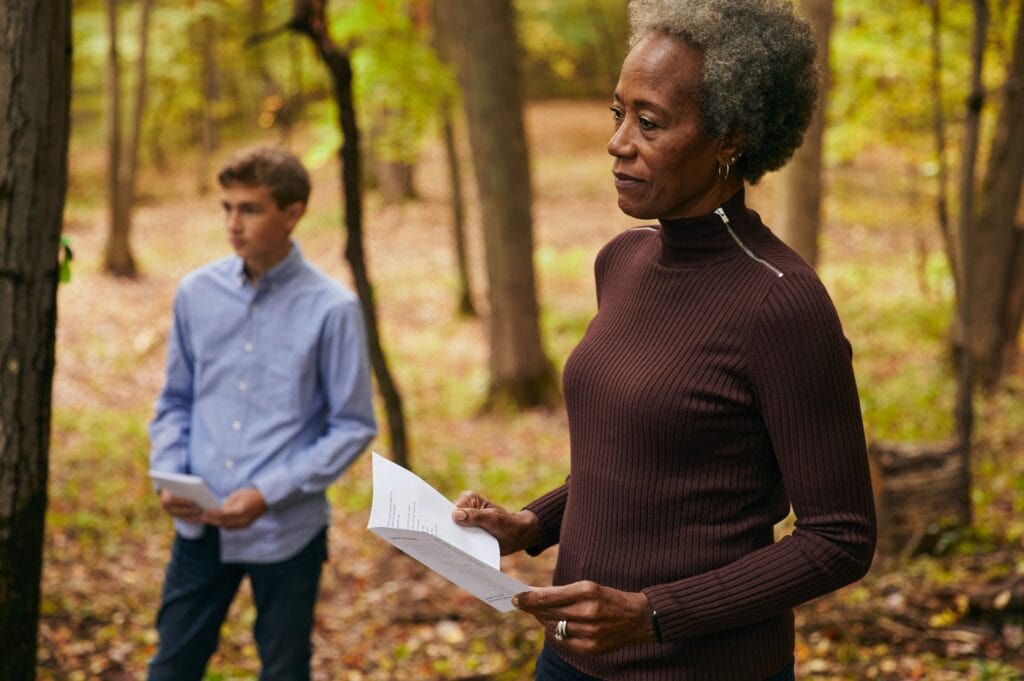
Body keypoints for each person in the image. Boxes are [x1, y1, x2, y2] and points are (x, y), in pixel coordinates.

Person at [451, 1, 876, 679]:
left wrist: (653, 612)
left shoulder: (781, 301)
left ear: (729, 138)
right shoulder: (621, 262)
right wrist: (532, 524)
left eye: (649, 122)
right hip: (568, 659)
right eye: (617, 113)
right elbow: (638, 462)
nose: (619, 142)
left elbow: (841, 539)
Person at [147, 146, 377, 681]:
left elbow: (352, 426)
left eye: (249, 209)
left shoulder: (332, 309)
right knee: (171, 666)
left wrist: (267, 493)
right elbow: (175, 399)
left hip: (285, 531)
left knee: (283, 669)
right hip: (198, 529)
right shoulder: (195, 293)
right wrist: (170, 472)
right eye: (226, 207)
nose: (233, 224)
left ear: (292, 213)